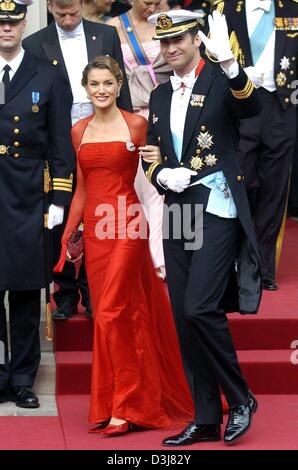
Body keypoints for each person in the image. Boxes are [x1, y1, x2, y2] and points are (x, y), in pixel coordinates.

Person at [54, 55, 194, 435]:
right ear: (86, 88)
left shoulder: (136, 126)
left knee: (112, 311)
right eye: (94, 84)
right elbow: (82, 188)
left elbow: (151, 181)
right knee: (116, 314)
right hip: (97, 232)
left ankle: (125, 404)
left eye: (108, 84)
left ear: (119, 86)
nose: (101, 90)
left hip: (129, 227)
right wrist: (70, 232)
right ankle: (115, 400)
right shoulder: (78, 130)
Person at [142, 9, 262, 445]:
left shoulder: (218, 80)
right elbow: (151, 153)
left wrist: (230, 64)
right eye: (164, 42)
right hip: (179, 207)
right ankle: (206, 415)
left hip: (215, 203)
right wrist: (159, 177)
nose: (171, 49)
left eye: (179, 40)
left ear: (196, 40)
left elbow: (253, 108)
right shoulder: (158, 95)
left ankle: (241, 396)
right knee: (183, 316)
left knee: (200, 307)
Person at [23, 0, 132, 320]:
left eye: (73, 13)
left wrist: (125, 133)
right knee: (63, 215)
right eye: (60, 15)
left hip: (101, 135)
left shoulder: (105, 34)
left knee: (101, 214)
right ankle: (66, 291)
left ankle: (94, 289)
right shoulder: (34, 42)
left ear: (81, 6)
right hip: (60, 141)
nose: (68, 20)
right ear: (50, 9)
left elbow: (119, 85)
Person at [0, 0, 75, 407]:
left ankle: (23, 378)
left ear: (24, 24)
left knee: (27, 291)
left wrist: (60, 198)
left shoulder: (47, 74)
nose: (6, 29)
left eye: (12, 22)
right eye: (0, 23)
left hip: (29, 193)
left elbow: (62, 145)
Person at [213, 0, 298, 290]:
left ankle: (263, 267)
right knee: (240, 182)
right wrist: (236, 74)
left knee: (275, 188)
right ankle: (235, 260)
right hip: (241, 103)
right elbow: (209, 54)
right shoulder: (225, 9)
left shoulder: (293, 8)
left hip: (282, 106)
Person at [107, 0, 171, 279]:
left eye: (157, 1)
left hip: (164, 115)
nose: (152, 6)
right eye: (147, 2)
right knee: (130, 189)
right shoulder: (113, 27)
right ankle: (133, 258)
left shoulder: (171, 22)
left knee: (158, 188)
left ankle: (159, 259)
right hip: (127, 117)